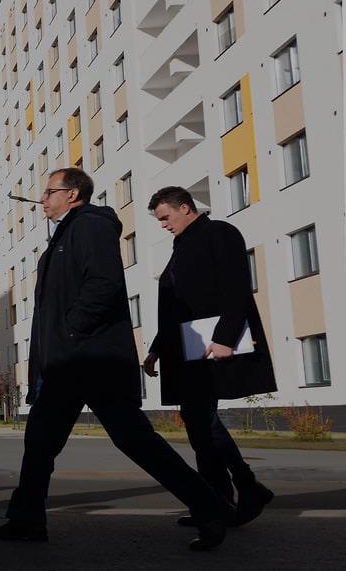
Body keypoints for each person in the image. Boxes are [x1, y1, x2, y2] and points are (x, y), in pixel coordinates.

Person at [0, 168, 231, 551]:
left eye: (50, 191)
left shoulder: (91, 225)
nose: (43, 199)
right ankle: (26, 519)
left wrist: (70, 331)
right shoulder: (64, 236)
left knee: (135, 440)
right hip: (68, 362)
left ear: (73, 193)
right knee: (41, 440)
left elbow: (104, 283)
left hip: (94, 360)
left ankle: (211, 507)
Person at [143, 186, 276, 527]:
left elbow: (236, 287)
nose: (163, 225)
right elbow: (176, 307)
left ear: (185, 208)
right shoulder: (181, 246)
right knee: (198, 422)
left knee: (201, 420)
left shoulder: (219, 233)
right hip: (189, 349)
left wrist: (225, 338)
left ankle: (233, 493)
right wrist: (157, 348)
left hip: (212, 345)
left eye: (165, 217)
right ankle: (228, 496)